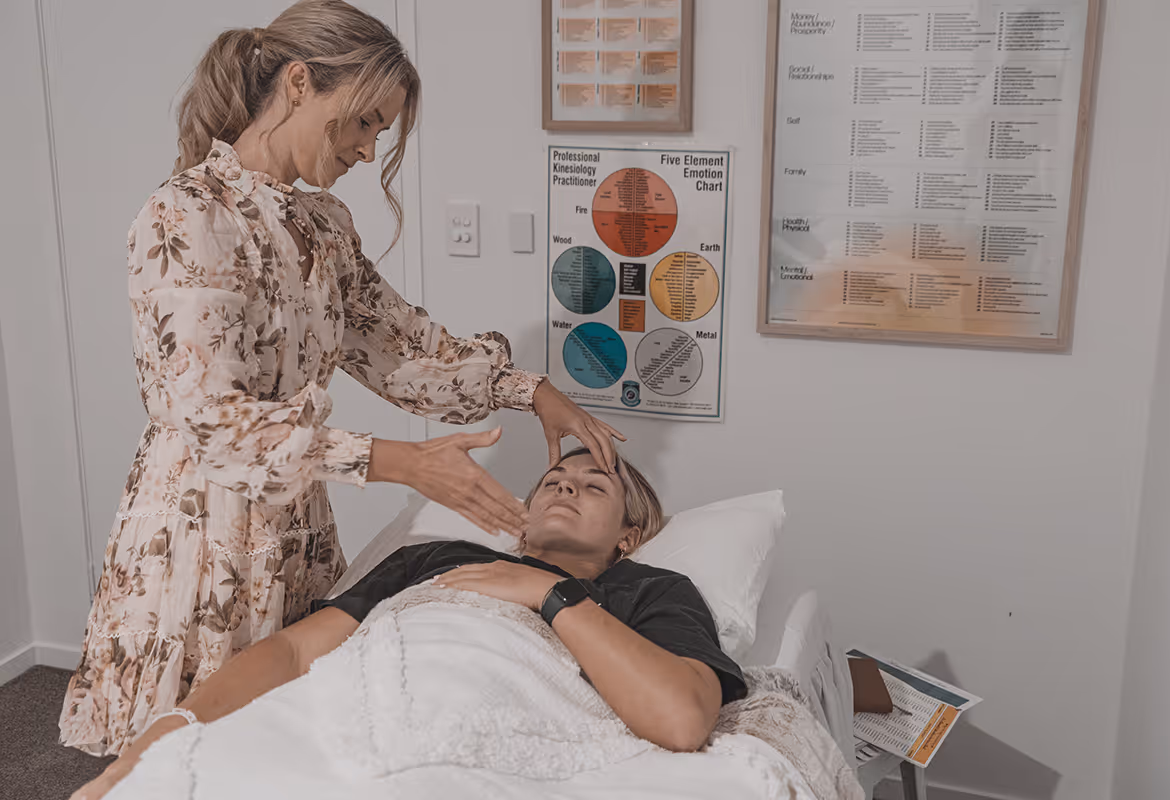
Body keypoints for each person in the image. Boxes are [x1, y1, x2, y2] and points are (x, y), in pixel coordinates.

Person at [60, 0, 623, 757]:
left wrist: (532, 391)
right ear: (299, 83)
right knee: (181, 751)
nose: (368, 149)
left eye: (381, 132)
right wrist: (402, 465)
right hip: (203, 532)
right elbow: (210, 423)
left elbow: (402, 351)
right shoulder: (186, 216)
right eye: (364, 122)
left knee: (285, 748)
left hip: (292, 528)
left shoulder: (323, 226)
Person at [70, 448, 747, 800]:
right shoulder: (436, 556)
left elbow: (682, 720)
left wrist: (548, 594)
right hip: (368, 692)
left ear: (628, 537)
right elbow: (293, 653)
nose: (566, 486)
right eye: (554, 481)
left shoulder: (648, 590)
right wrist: (161, 736)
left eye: (594, 486)